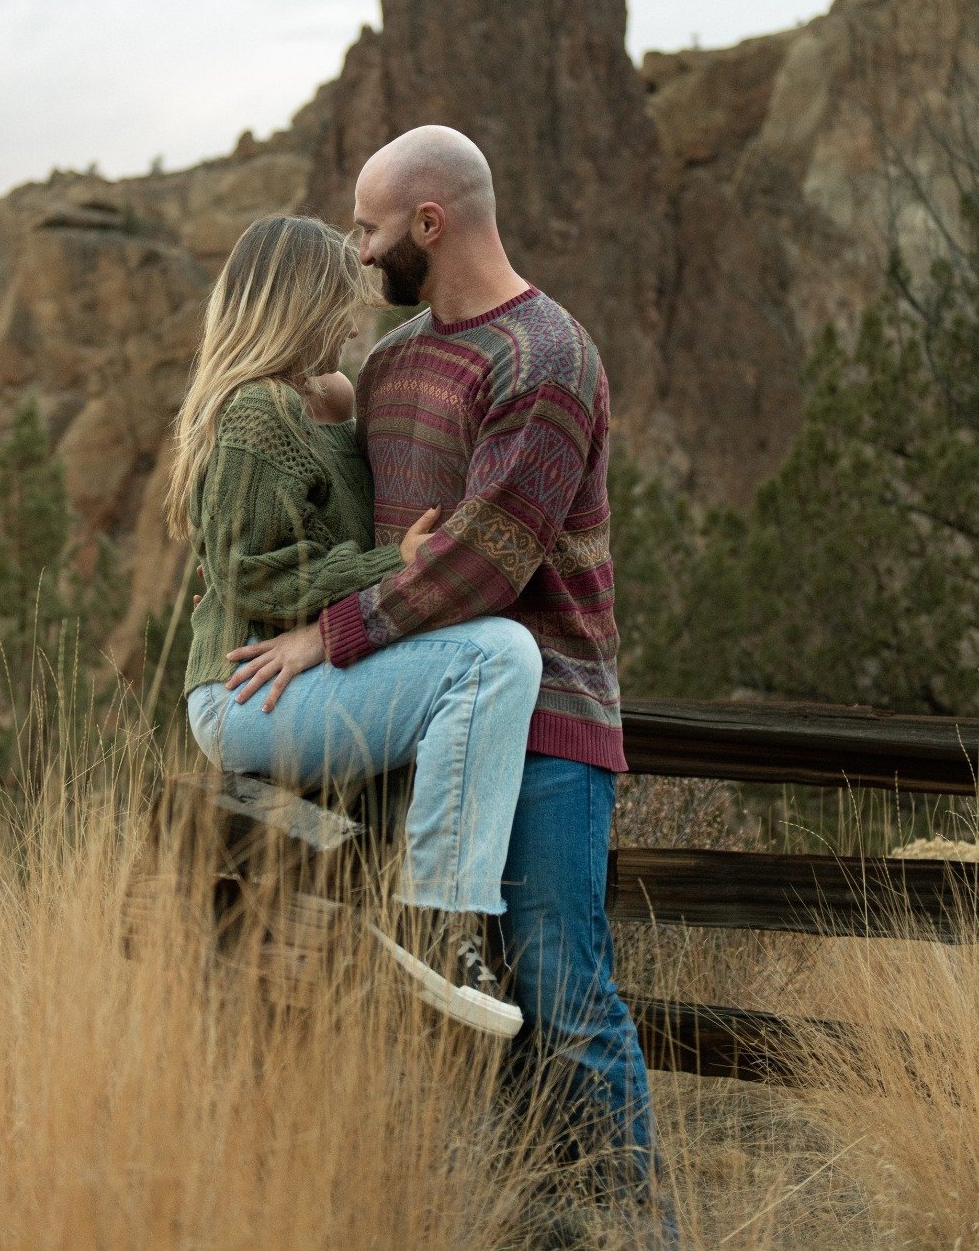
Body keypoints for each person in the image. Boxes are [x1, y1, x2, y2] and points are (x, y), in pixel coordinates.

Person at [224, 127, 660, 1199]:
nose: (359, 253)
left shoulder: (548, 358)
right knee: (456, 1002)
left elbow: (486, 563)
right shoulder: (389, 361)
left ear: (432, 222)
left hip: (548, 715)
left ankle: (638, 1225)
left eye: (371, 229)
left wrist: (323, 638)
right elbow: (344, 518)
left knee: (560, 990)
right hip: (432, 718)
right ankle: (527, 1217)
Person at [166, 213, 543, 1039]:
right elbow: (249, 574)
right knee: (495, 659)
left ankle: (422, 918)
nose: (352, 318)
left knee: (487, 664)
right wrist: (393, 566)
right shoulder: (256, 412)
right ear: (301, 302)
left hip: (292, 682)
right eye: (341, 302)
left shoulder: (318, 399)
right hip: (243, 695)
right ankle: (437, 922)